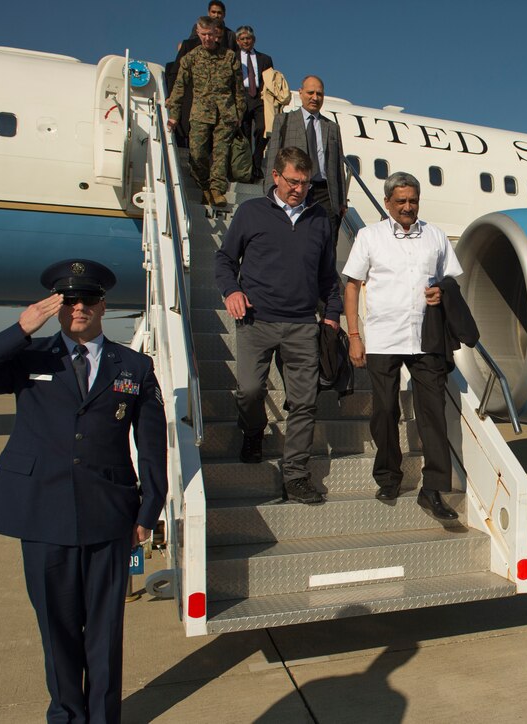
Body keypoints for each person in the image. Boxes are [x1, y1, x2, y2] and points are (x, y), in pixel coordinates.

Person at [0, 259, 168, 723]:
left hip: (109, 513)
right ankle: (65, 715)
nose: (79, 307)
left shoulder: (135, 365)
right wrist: (21, 329)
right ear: (57, 307)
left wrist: (149, 512)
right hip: (42, 514)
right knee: (57, 628)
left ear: (103, 304)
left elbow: (151, 445)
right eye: (69, 301)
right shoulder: (29, 357)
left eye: (88, 299)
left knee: (105, 631)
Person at [215, 146, 342, 504]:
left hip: (302, 325)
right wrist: (232, 291)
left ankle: (296, 476)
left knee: (304, 403)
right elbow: (224, 259)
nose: (298, 189)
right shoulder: (251, 212)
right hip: (256, 320)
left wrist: (331, 315)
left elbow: (328, 277)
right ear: (275, 176)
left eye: (304, 183)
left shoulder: (319, 220)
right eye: (292, 181)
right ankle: (253, 429)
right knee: (250, 390)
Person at [342, 172, 462, 520]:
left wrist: (442, 290)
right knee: (384, 412)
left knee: (434, 415)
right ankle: (389, 475)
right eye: (401, 201)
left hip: (427, 338)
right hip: (383, 338)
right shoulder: (369, 237)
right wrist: (354, 336)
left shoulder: (436, 237)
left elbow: (450, 278)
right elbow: (352, 286)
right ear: (387, 203)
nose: (408, 207)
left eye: (413, 201)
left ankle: (433, 489)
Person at [167, 15, 245, 207]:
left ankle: (217, 190)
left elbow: (238, 89)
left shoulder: (229, 57)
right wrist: (174, 115)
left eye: (210, 34)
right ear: (198, 33)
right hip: (201, 112)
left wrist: (239, 114)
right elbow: (179, 88)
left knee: (221, 153)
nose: (207, 39)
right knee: (197, 153)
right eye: (203, 35)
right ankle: (204, 186)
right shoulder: (191, 58)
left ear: (216, 34)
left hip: (225, 113)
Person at [265, 75, 346, 245]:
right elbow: (273, 156)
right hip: (294, 188)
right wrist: (270, 191)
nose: (315, 98)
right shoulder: (284, 121)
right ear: (300, 93)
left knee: (327, 241)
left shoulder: (332, 127)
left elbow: (338, 166)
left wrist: (342, 200)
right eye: (310, 92)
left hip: (325, 192)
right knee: (293, 239)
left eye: (319, 94)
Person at [234, 26, 273, 182]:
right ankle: (248, 168)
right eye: (242, 39)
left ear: (254, 40)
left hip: (259, 97)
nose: (246, 41)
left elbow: (271, 80)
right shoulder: (233, 57)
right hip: (241, 96)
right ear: (237, 41)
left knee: (263, 128)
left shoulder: (265, 59)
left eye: (248, 38)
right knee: (244, 131)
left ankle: (257, 160)